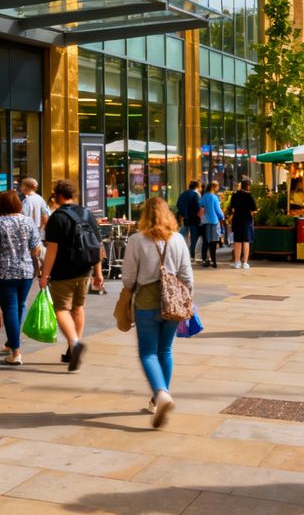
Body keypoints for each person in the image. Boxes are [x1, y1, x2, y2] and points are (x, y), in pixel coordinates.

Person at [121, 196, 194, 429]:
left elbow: (129, 277)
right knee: (165, 349)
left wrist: (128, 293)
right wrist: (185, 298)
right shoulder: (178, 239)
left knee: (148, 353)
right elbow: (187, 276)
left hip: (146, 300)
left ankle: (161, 394)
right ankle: (159, 396)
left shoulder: (136, 240)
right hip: (173, 300)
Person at [40, 178, 104, 371]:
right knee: (78, 307)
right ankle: (71, 349)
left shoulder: (56, 218)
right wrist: (98, 272)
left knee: (61, 309)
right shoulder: (87, 213)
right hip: (85, 269)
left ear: (58, 196)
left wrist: (45, 274)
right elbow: (97, 245)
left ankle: (75, 345)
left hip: (63, 271)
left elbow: (51, 250)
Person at [0, 190, 42, 366]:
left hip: (4, 273)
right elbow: (36, 249)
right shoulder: (28, 222)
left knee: (10, 309)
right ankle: (11, 342)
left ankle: (16, 352)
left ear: (2, 205)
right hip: (26, 272)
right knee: (19, 306)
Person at [228, 178, 258, 269]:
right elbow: (254, 209)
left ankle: (237, 262)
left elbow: (232, 209)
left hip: (237, 220)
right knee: (246, 241)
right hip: (246, 221)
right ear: (248, 186)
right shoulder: (249, 196)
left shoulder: (235, 195)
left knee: (237, 241)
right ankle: (245, 262)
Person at [198, 181, 225, 268]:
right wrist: (222, 217)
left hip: (205, 222)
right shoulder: (214, 197)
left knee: (206, 242)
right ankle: (214, 261)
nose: (218, 188)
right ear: (214, 187)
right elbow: (217, 210)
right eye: (217, 187)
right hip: (213, 221)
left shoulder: (204, 196)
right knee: (213, 242)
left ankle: (205, 260)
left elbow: (199, 205)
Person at [175, 180, 203, 262]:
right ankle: (192, 255)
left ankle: (184, 254)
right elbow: (198, 206)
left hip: (185, 219)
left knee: (184, 237)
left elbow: (178, 205)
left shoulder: (183, 194)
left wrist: (183, 214)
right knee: (194, 237)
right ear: (197, 187)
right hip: (194, 219)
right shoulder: (196, 195)